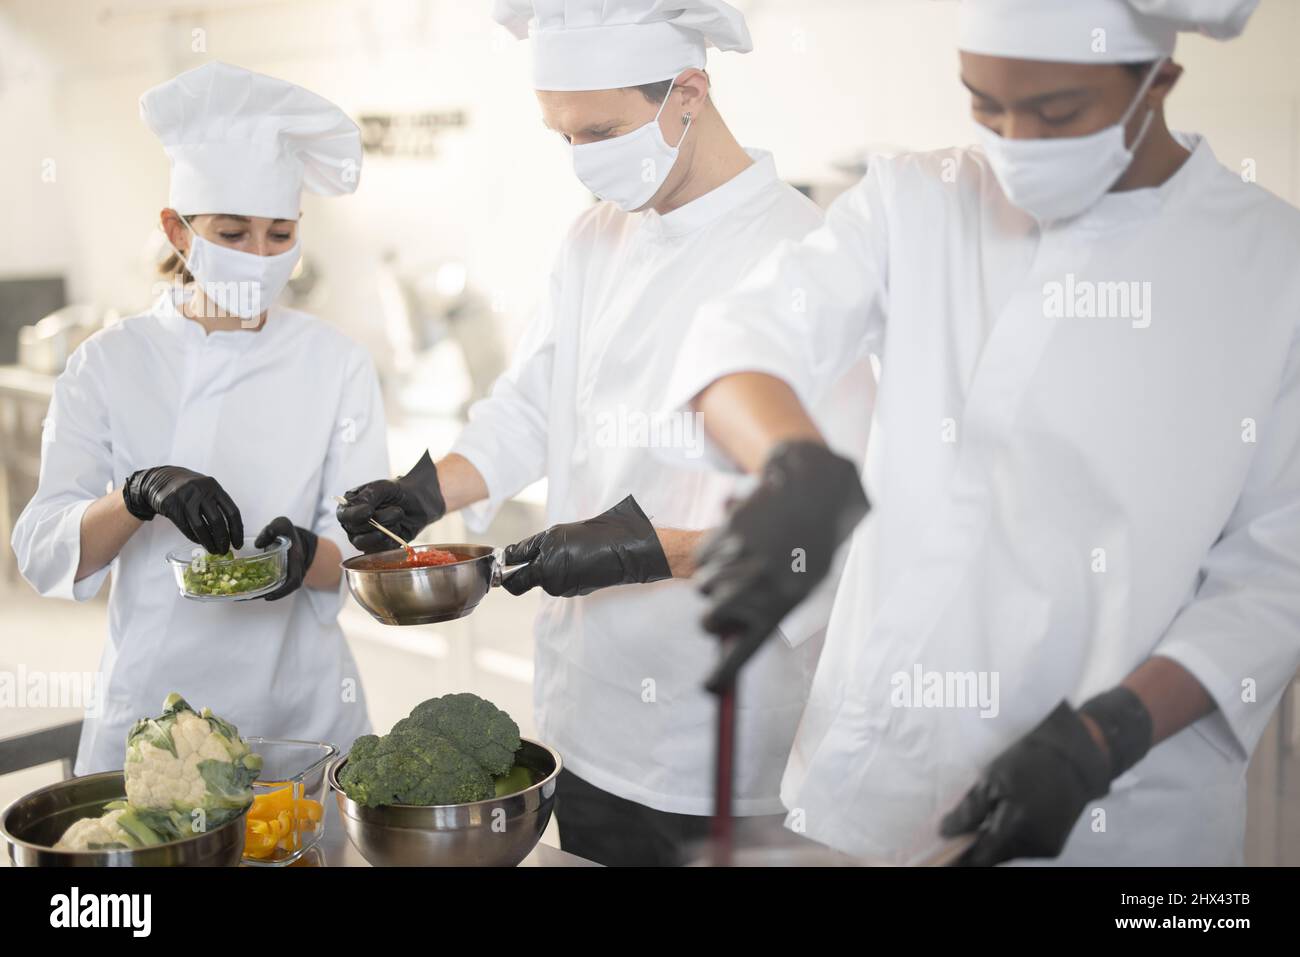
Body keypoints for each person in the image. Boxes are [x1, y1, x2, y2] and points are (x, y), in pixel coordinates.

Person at [663, 0, 1300, 866]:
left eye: (1055, 113)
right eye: (983, 104)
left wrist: (1107, 737)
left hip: (1124, 815)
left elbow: (1277, 572)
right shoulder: (918, 198)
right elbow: (748, 331)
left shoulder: (1273, 268)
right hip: (882, 792)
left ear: (1160, 80)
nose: (1013, 140)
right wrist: (794, 462)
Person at [336, 0, 869, 866]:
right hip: (584, 717)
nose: (584, 164)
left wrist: (647, 549)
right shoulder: (595, 240)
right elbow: (532, 402)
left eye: (602, 131)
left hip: (716, 743)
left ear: (688, 92)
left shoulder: (804, 258)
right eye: (564, 137)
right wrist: (430, 490)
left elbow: (836, 535)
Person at [12, 61, 390, 773]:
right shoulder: (109, 362)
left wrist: (307, 556)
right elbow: (40, 549)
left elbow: (369, 552)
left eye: (280, 235)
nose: (259, 256)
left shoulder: (337, 363)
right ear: (179, 232)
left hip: (300, 712)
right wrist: (134, 495)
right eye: (233, 232)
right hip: (156, 713)